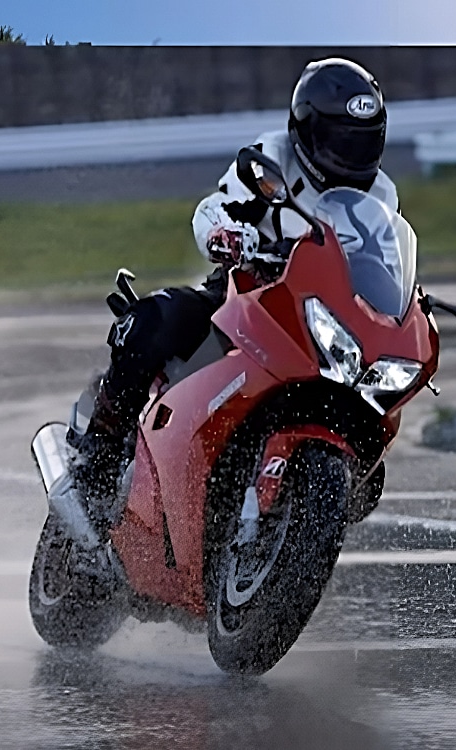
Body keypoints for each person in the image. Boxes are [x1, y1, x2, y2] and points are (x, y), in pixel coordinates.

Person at [66, 57, 401, 500]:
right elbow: (215, 207)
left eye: (362, 142)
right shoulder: (272, 161)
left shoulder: (382, 194)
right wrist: (226, 235)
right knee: (155, 321)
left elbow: (384, 261)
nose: (352, 154)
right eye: (341, 140)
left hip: (321, 321)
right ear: (306, 128)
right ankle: (100, 454)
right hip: (246, 296)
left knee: (370, 459)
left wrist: (409, 301)